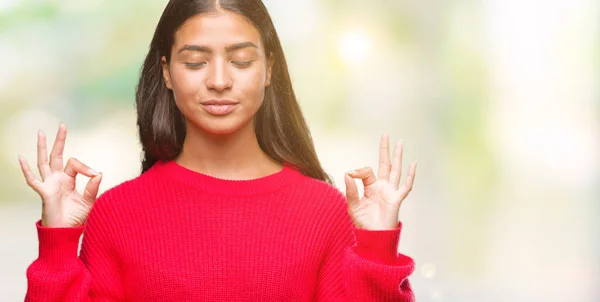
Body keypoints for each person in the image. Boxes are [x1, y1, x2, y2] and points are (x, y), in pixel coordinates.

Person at [19, 0, 418, 301]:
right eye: (195, 63)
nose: (220, 80)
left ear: (269, 69)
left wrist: (378, 247)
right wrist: (58, 241)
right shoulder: (116, 215)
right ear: (166, 72)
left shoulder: (325, 213)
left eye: (241, 61)